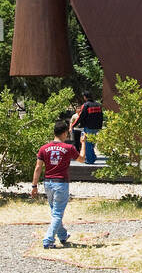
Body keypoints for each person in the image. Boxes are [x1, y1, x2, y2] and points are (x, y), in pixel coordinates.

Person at [31, 119, 79, 249]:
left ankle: (63, 235)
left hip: (48, 183)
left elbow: (38, 168)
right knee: (58, 213)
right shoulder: (68, 148)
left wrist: (34, 186)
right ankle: (48, 239)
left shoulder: (43, 148)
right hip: (61, 183)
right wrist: (84, 143)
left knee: (54, 211)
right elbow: (83, 158)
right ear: (64, 133)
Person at [78, 92, 103, 164]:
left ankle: (90, 159)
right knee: (92, 143)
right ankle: (93, 156)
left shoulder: (86, 105)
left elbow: (81, 116)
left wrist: (73, 125)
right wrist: (100, 126)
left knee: (87, 143)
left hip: (88, 127)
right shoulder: (98, 105)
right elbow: (101, 116)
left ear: (85, 97)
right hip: (96, 127)